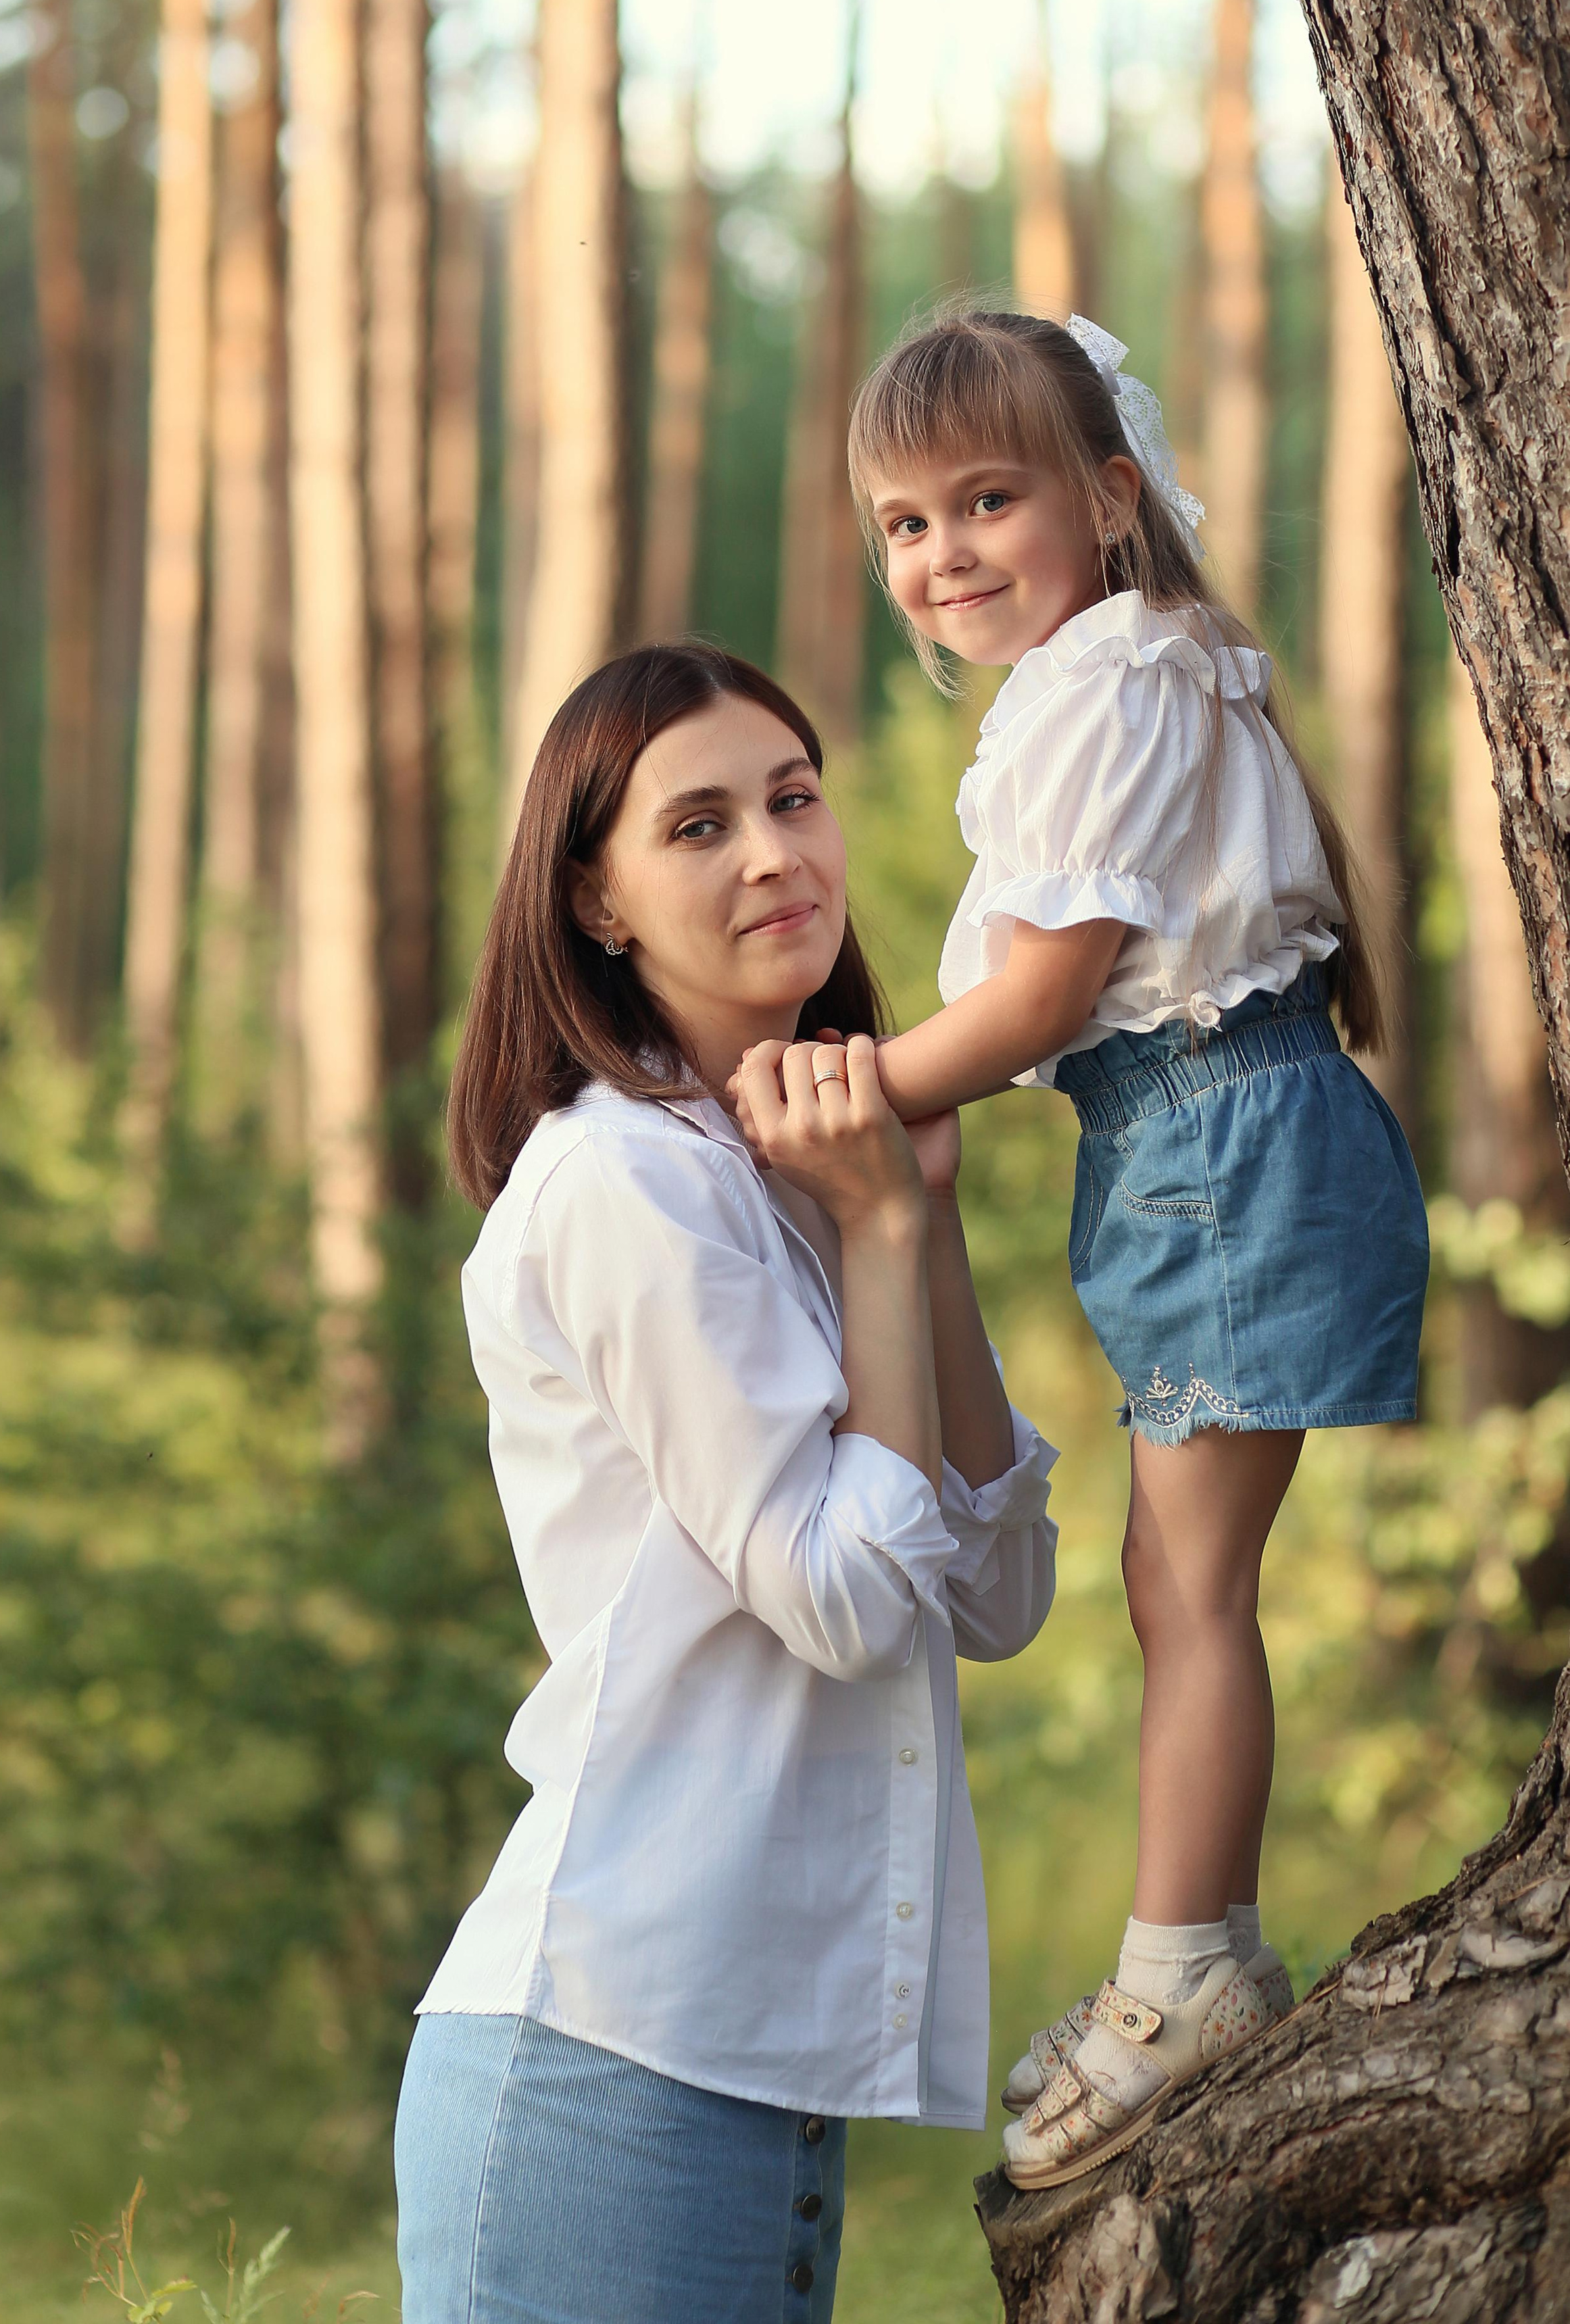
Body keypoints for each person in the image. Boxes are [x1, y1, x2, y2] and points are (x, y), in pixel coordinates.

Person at [824, 305, 1429, 2190]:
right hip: (1198, 1149)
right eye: (907, 526)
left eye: (988, 499)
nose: (945, 557)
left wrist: (849, 1089)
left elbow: (1046, 994)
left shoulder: (1112, 683)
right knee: (1174, 1583)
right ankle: (1203, 1954)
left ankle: (1180, 1983)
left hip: (1222, 1152)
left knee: (1192, 1592)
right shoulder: (1127, 671)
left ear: (1107, 495)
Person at [397, 643, 1060, 2323]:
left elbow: (992, 1591)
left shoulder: (793, 1170)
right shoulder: (623, 1182)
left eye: (791, 798)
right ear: (597, 904)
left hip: (750, 2075)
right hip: (608, 2065)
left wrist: (913, 1216)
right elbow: (843, 1601)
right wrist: (882, 1227)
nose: (774, 852)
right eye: (696, 826)